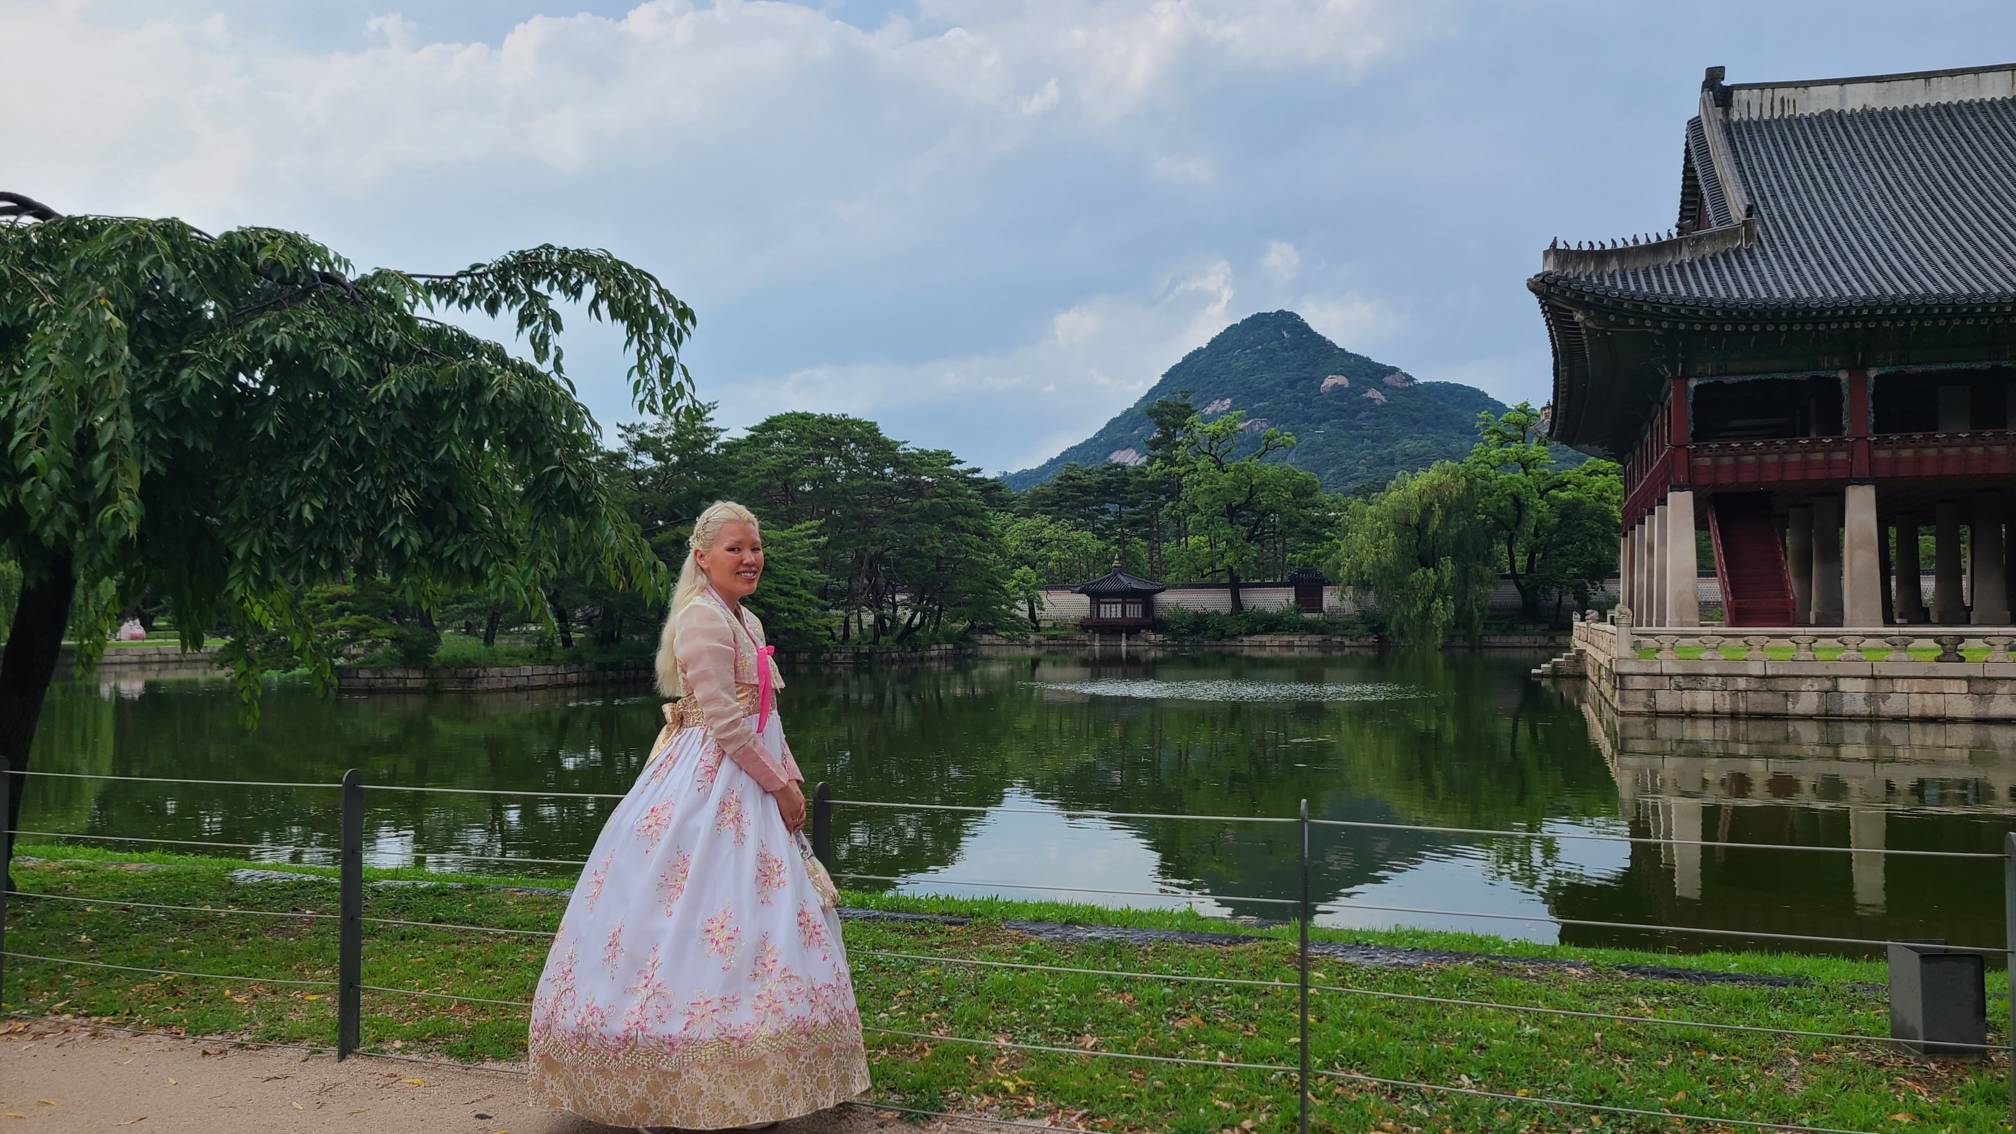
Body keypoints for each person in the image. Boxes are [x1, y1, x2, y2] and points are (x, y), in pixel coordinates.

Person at [530, 501, 870, 1130]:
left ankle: (757, 1078)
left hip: (753, 774)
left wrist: (789, 777)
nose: (750, 559)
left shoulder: (747, 617)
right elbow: (724, 724)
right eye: (736, 548)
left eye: (756, 547)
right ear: (703, 556)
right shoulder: (700, 620)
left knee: (758, 920)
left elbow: (766, 719)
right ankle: (668, 1076)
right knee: (689, 912)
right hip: (708, 782)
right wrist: (780, 789)